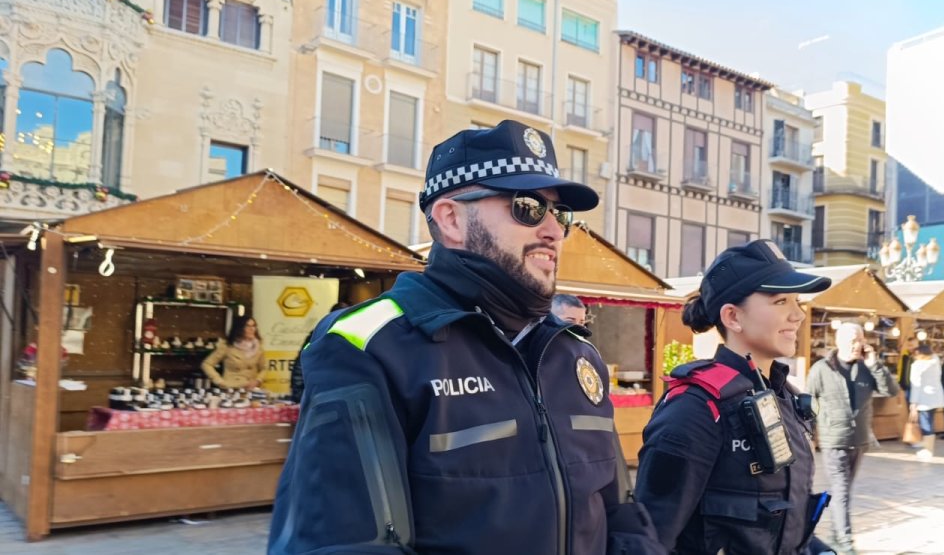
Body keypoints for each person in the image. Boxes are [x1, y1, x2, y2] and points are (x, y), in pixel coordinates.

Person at [269, 120, 663, 555]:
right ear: (452, 218)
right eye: (528, 207)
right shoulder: (368, 345)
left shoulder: (576, 353)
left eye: (560, 214)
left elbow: (619, 513)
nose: (554, 230)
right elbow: (345, 544)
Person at [635, 239, 833, 555]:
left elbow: (785, 520)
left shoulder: (784, 396)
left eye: (798, 302)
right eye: (781, 301)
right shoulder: (696, 408)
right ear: (732, 317)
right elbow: (650, 538)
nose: (798, 315)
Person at [807, 321, 900, 554]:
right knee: (841, 489)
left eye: (860, 340)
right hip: (833, 439)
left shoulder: (868, 367)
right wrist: (811, 433)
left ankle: (836, 534)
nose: (857, 345)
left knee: (845, 491)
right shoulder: (822, 368)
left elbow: (891, 391)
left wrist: (875, 363)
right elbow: (809, 402)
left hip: (858, 439)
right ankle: (846, 543)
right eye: (851, 340)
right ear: (838, 342)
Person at [289, 302, 349, 403]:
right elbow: (302, 363)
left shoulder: (353, 338)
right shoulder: (318, 335)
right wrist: (299, 393)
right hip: (320, 396)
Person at [201, 316, 266, 389]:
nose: (251, 329)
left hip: (251, 389)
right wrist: (219, 381)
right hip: (232, 388)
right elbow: (207, 364)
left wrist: (258, 380)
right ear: (239, 328)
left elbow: (264, 368)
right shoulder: (227, 346)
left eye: (254, 326)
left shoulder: (257, 347)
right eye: (247, 326)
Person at [908, 344, 944, 460]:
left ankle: (928, 450)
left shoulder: (917, 366)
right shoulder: (935, 362)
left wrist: (913, 403)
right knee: (930, 422)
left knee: (926, 424)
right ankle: (927, 446)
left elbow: (916, 386)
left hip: (923, 399)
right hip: (935, 397)